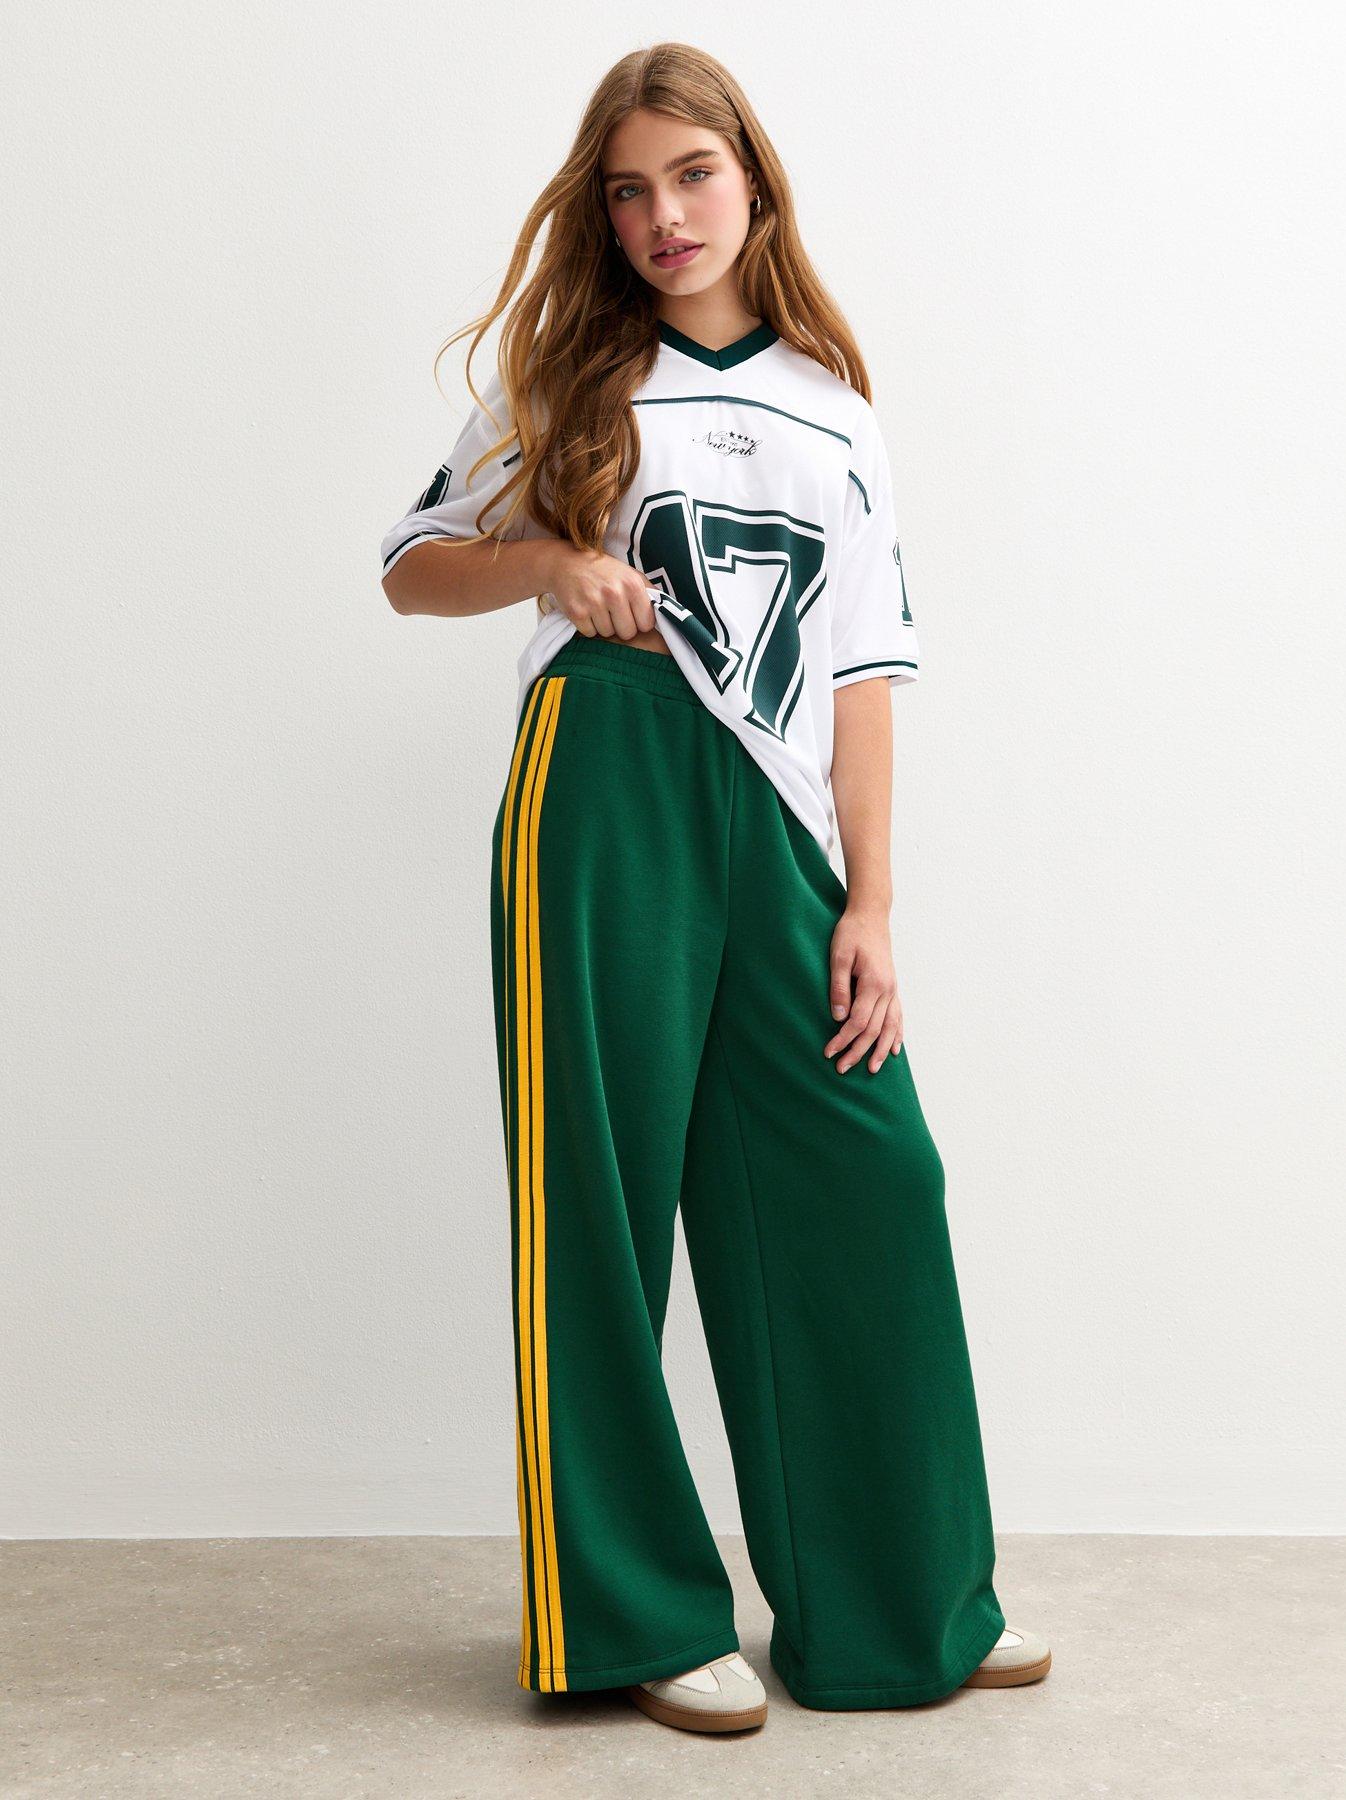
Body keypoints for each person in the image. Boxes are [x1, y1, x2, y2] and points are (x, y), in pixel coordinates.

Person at [380, 41, 1051, 1734]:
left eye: (690, 175)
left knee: (868, 1178)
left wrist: (869, 904)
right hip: (602, 774)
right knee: (597, 1204)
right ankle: (634, 1615)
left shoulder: (835, 409)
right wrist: (549, 562)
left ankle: (899, 1599)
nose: (662, 215)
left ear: (750, 178)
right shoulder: (567, 377)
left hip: (779, 816)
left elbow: (864, 674)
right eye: (628, 191)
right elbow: (412, 568)